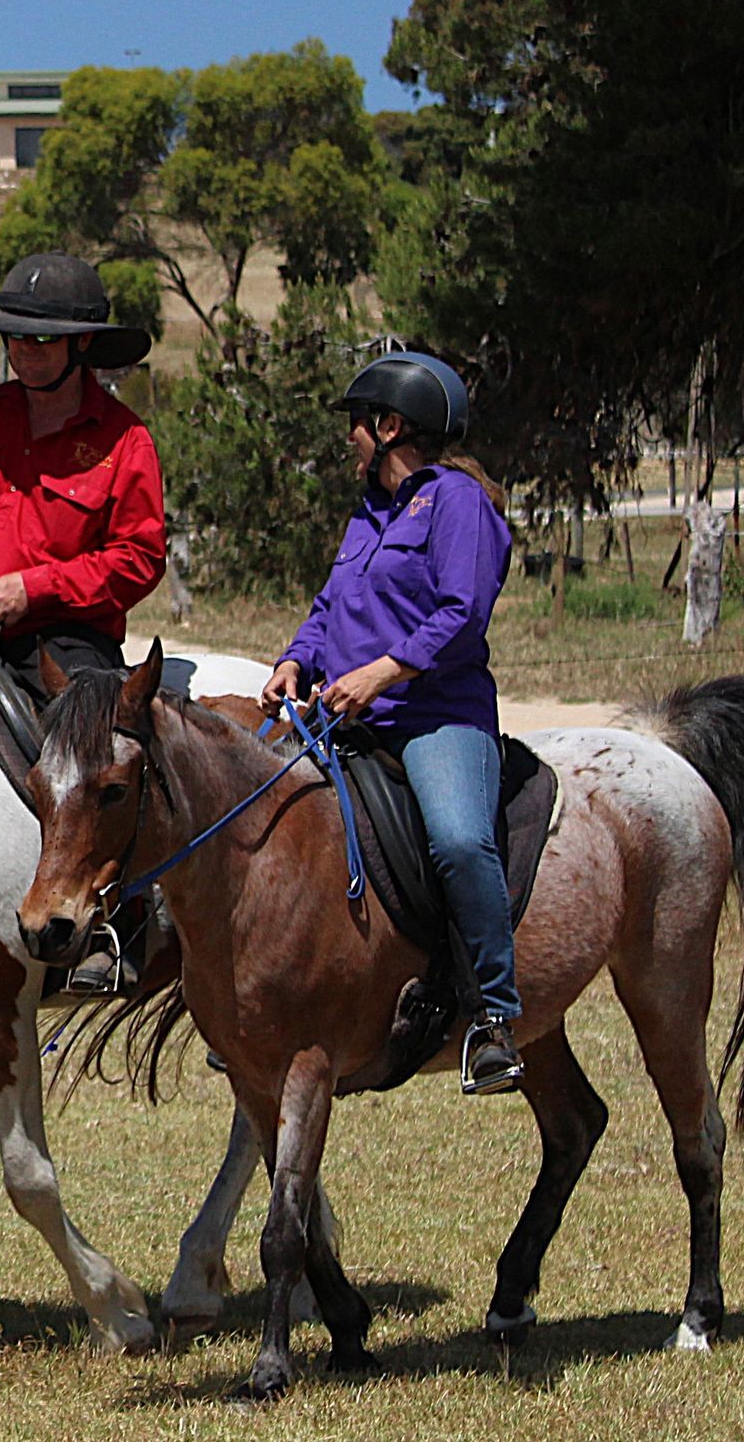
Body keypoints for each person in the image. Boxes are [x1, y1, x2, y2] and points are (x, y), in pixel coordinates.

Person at [259, 351, 524, 1096]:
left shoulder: (457, 504)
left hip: (434, 716)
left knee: (461, 842)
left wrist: (385, 671)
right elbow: (331, 609)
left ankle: (494, 1018)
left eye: (356, 424)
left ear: (391, 425)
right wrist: (295, 661)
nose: (349, 439)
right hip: (343, 715)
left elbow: (462, 613)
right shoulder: (369, 515)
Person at [0, 251, 167, 707]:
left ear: (82, 342)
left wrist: (36, 589)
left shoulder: (125, 440)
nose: (24, 350)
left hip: (65, 641)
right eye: (13, 335)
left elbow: (139, 558)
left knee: (90, 759)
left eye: (43, 338)